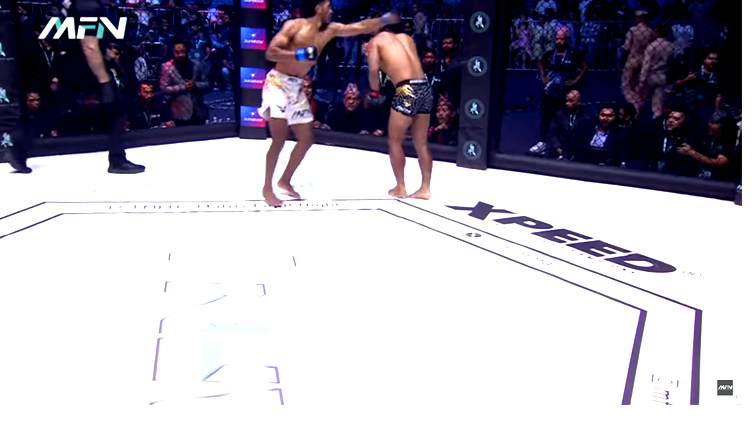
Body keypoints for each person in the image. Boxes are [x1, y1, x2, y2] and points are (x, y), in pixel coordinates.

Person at [260, 0, 400, 207]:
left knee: (306, 138)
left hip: (297, 85)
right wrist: (299, 54)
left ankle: (284, 181)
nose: (331, 10)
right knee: (279, 138)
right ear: (318, 8)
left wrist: (384, 20)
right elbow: (271, 52)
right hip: (278, 82)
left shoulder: (330, 30)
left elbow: (359, 27)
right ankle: (267, 188)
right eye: (328, 6)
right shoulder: (294, 26)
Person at [61, 0, 145, 173]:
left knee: (52, 105)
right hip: (83, 63)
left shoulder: (83, 5)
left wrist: (108, 56)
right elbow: (89, 45)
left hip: (71, 61)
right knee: (118, 107)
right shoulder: (87, 5)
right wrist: (104, 80)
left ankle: (17, 147)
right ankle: (117, 160)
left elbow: (91, 40)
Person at [365, 24, 434, 200]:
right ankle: (425, 188)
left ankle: (400, 187)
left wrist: (374, 91)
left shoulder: (376, 42)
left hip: (406, 89)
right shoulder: (407, 38)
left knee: (395, 141)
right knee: (421, 143)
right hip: (424, 87)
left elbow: (373, 70)